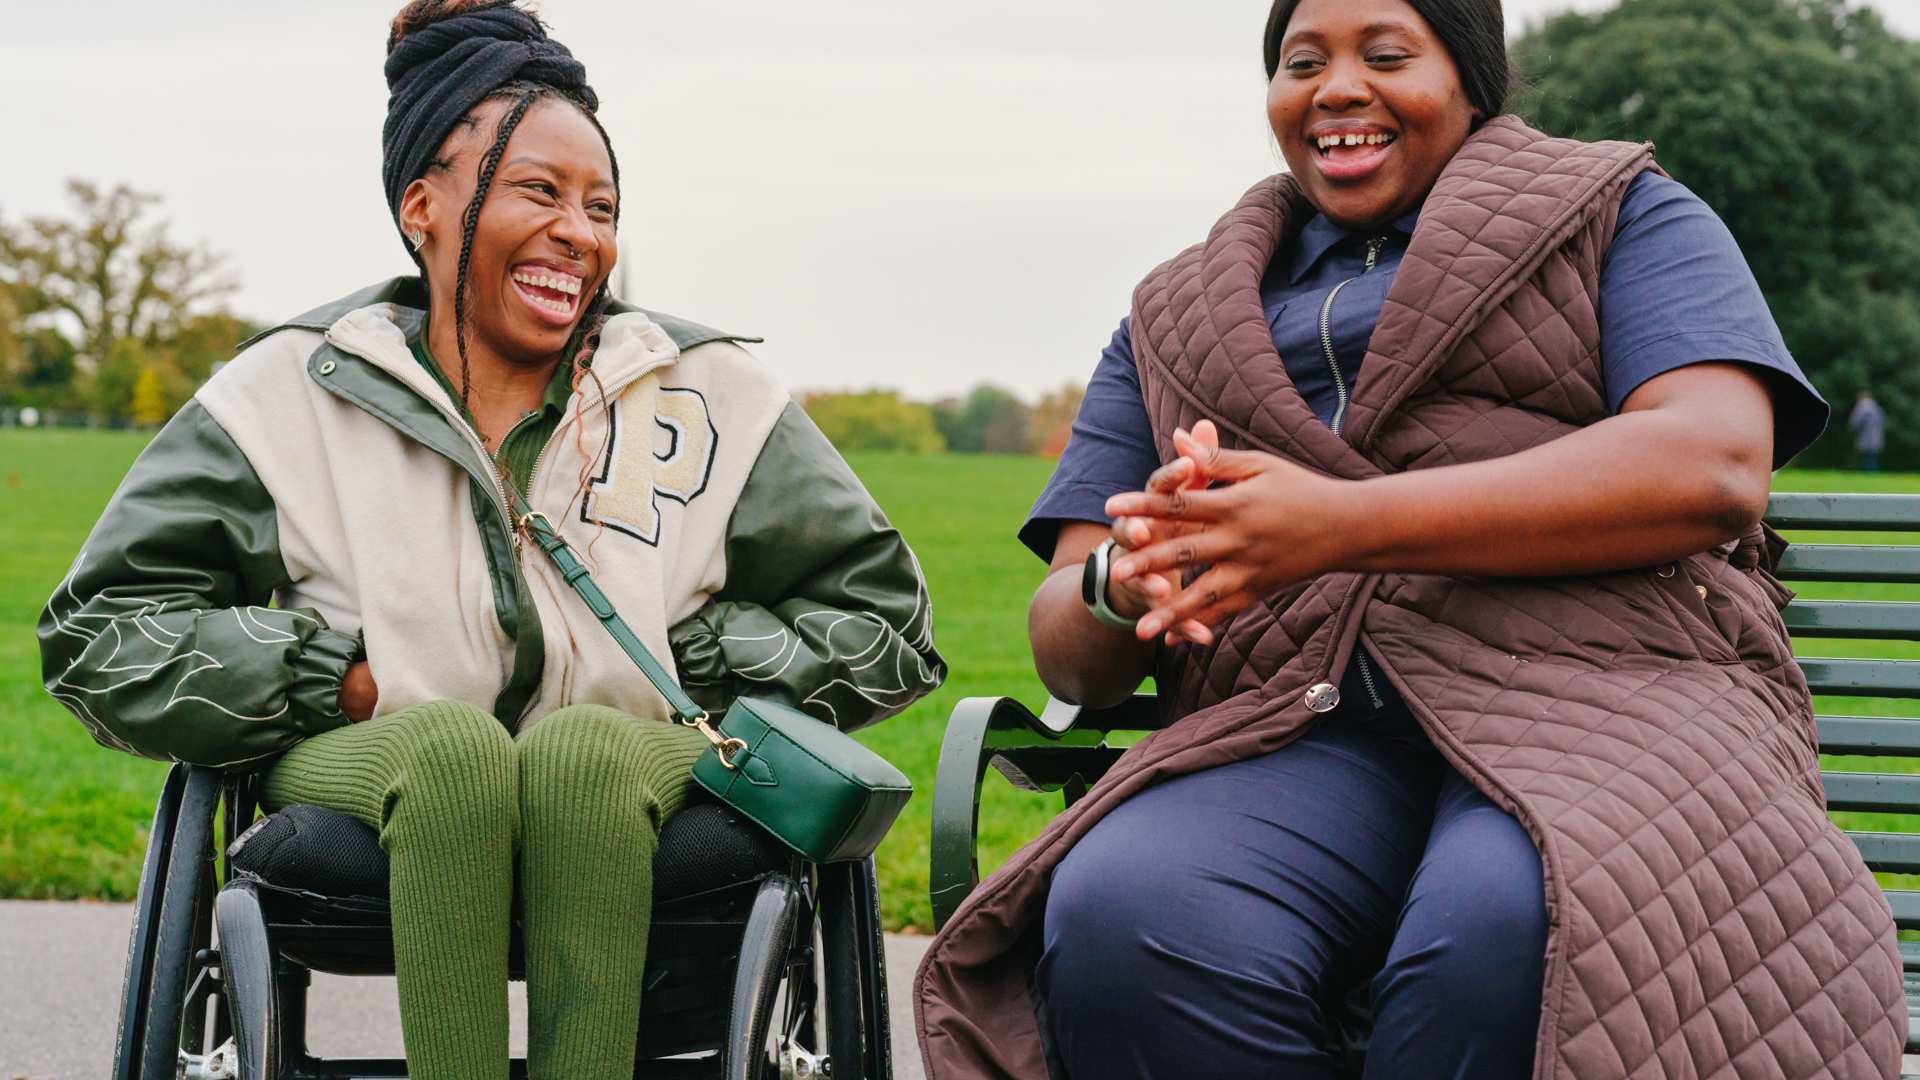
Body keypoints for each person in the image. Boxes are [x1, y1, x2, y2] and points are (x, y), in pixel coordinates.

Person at [913, 0, 1903, 1077]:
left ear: (1470, 80)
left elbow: (1711, 463)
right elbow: (1071, 648)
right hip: (1295, 725)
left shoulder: (1622, 215)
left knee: (1511, 928)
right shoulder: (1176, 315)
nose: (1336, 87)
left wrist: (1336, 525)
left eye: (1387, 55)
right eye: (1302, 62)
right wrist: (1123, 576)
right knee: (1126, 917)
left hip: (1604, 694)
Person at [38, 2, 943, 1077]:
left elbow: (887, 623)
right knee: (454, 751)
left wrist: (690, 652)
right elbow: (100, 632)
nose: (581, 231)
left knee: (585, 748)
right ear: (423, 205)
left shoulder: (708, 394)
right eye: (539, 191)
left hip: (638, 768)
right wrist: (337, 680)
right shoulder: (286, 391)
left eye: (602, 205)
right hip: (371, 759)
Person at [1851, 389, 1886, 471]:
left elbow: (1855, 421)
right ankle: (1872, 472)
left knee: (1866, 456)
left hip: (1865, 435)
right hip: (1876, 434)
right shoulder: (1876, 407)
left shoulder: (1862, 406)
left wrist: (1853, 428)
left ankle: (1868, 472)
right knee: (1872, 456)